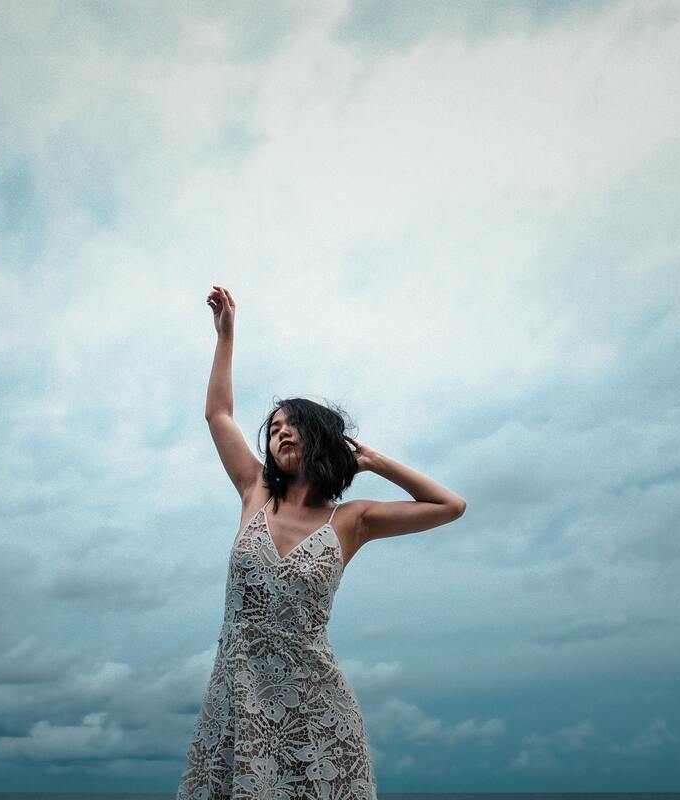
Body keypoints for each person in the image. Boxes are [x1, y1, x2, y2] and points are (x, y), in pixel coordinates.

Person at [176, 285, 467, 799]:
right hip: (238, 702)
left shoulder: (352, 520)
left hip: (317, 709)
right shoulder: (256, 491)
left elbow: (450, 506)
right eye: (274, 429)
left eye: (293, 426)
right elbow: (218, 415)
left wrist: (379, 463)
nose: (280, 434)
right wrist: (226, 337)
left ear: (320, 438)